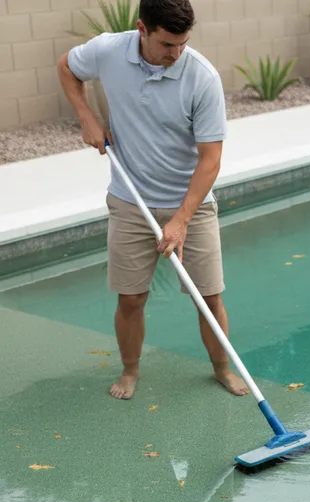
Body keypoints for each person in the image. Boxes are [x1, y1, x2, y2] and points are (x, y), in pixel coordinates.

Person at [57, 0, 248, 400]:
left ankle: (222, 368)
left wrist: (181, 219)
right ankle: (130, 371)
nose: (176, 54)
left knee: (209, 297)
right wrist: (85, 116)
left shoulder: (202, 77)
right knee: (131, 297)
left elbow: (210, 160)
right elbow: (67, 67)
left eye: (183, 44)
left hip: (190, 203)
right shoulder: (108, 51)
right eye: (167, 44)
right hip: (131, 200)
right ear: (143, 29)